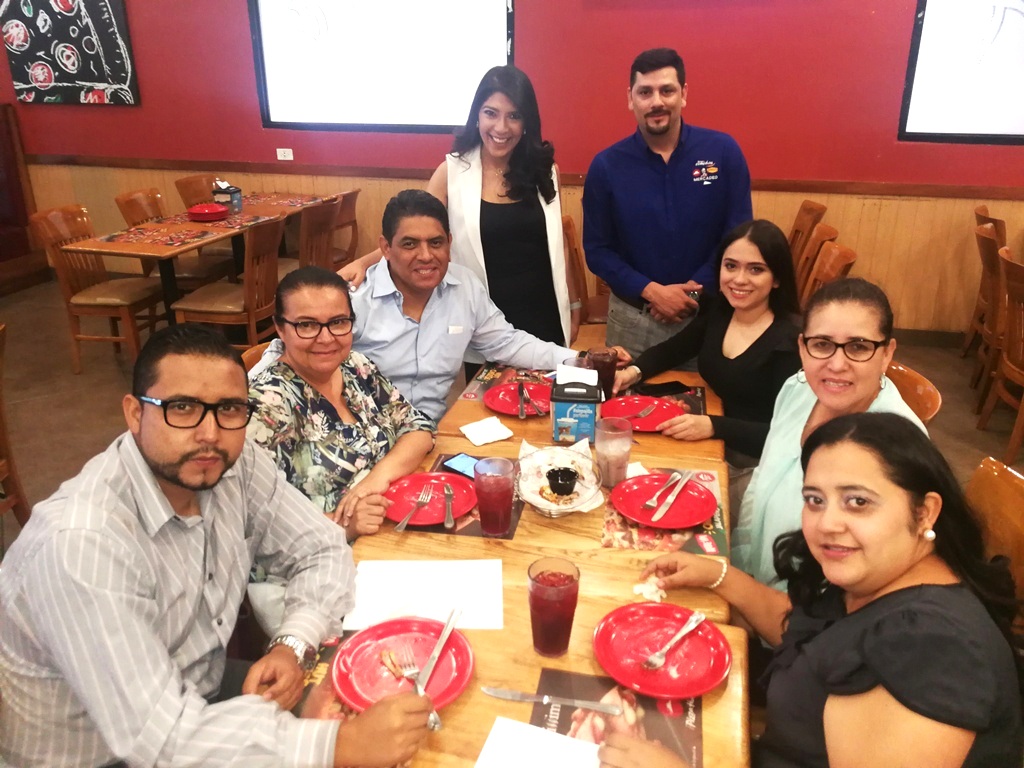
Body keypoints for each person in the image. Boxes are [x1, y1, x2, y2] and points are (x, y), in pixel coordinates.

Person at [0, 325, 431, 768]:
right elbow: (162, 741)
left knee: (395, 702)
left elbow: (321, 548)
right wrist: (336, 746)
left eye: (228, 409)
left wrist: (291, 646)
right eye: (182, 408)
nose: (209, 433)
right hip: (105, 754)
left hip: (201, 689)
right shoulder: (82, 545)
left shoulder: (232, 465)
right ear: (134, 413)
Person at [627, 413, 1023, 768]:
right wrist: (721, 576)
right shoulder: (887, 575)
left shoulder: (933, 648)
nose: (827, 523)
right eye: (815, 500)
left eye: (858, 501)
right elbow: (815, 636)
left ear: (925, 512)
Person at [252, 189, 605, 423]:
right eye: (409, 244)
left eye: (436, 243)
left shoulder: (464, 286)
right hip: (368, 436)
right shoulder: (354, 298)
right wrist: (242, 399)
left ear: (449, 242)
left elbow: (507, 342)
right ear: (385, 248)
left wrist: (580, 361)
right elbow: (286, 353)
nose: (426, 256)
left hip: (436, 431)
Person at [342, 65, 580, 375]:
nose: (501, 127)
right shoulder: (452, 172)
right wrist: (363, 263)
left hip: (544, 310)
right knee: (484, 403)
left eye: (514, 116)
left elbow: (557, 246)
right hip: (484, 320)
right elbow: (415, 234)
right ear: (477, 115)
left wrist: (574, 305)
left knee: (549, 395)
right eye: (491, 113)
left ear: (527, 122)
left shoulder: (545, 171)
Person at [732, 277, 926, 589]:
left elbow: (862, 585)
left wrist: (745, 595)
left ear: (887, 353)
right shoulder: (797, 390)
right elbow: (760, 481)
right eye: (822, 344)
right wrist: (741, 566)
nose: (836, 365)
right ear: (802, 347)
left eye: (858, 347)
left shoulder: (893, 446)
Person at [584, 47, 753, 360]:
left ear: (684, 94)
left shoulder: (723, 152)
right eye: (645, 92)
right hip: (633, 323)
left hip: (707, 321)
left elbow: (739, 237)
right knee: (625, 393)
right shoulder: (606, 166)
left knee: (705, 394)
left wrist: (692, 292)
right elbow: (597, 251)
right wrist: (652, 292)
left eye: (667, 90)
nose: (656, 102)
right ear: (630, 98)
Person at [248, 267, 435, 541]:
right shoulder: (266, 406)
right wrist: (344, 526)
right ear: (280, 328)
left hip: (393, 523)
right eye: (306, 325)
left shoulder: (355, 366)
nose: (326, 338)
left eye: (337, 322)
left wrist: (375, 480)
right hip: (326, 553)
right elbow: (254, 522)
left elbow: (419, 429)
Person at [613, 220, 800, 459]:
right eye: (731, 266)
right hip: (713, 435)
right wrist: (633, 372)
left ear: (777, 278)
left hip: (753, 459)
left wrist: (714, 426)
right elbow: (675, 349)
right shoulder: (721, 309)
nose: (739, 279)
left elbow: (791, 435)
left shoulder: (790, 342)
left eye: (756, 269)